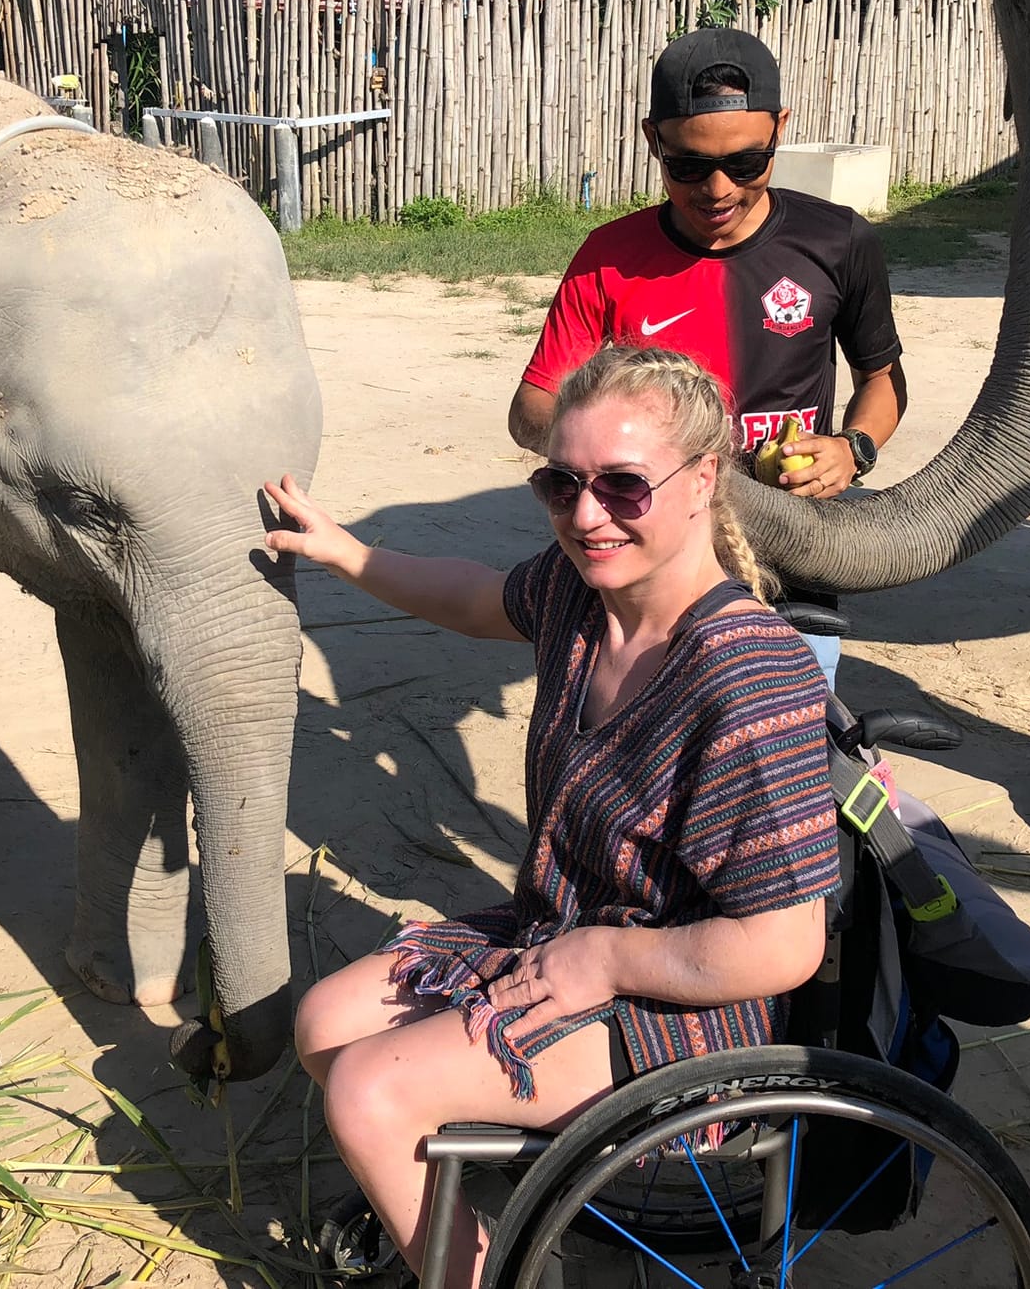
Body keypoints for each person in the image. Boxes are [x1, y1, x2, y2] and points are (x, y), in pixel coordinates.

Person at [271, 345, 840, 1288]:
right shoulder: (585, 599)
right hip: (565, 935)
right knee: (327, 1024)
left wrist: (607, 960)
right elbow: (471, 595)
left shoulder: (748, 678)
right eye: (561, 484)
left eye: (623, 486)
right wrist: (346, 551)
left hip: (690, 1009)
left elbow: (784, 946)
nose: (586, 516)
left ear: (704, 479)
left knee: (371, 1091)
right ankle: (475, 1242)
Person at [507, 27, 907, 689]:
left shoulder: (838, 242)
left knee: (786, 750)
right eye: (687, 166)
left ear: (781, 129)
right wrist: (632, 460)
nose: (718, 189)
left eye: (747, 163)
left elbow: (882, 380)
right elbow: (531, 409)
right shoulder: (609, 256)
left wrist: (853, 449)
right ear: (652, 140)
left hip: (794, 551)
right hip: (650, 557)